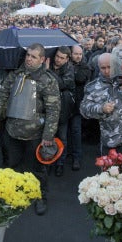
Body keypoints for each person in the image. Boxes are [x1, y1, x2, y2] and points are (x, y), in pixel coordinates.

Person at [0, 43, 60, 216]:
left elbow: (53, 110)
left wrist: (48, 135)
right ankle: (12, 195)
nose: (29, 58)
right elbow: (2, 95)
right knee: (11, 165)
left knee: (37, 169)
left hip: (35, 134)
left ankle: (40, 197)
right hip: (12, 131)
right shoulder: (16, 75)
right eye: (28, 55)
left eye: (34, 56)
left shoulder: (47, 80)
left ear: (42, 59)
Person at [47, 46, 75, 177]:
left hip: (63, 110)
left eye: (62, 58)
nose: (58, 60)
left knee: (62, 139)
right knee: (48, 137)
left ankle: (60, 164)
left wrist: (48, 72)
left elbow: (62, 84)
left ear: (67, 59)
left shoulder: (69, 69)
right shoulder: (49, 64)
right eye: (57, 56)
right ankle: (48, 161)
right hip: (48, 109)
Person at [68, 45, 91, 171]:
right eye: (76, 53)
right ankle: (64, 155)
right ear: (70, 54)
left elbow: (79, 78)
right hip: (65, 105)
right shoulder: (66, 66)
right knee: (64, 133)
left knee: (76, 131)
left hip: (77, 105)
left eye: (80, 54)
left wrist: (70, 70)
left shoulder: (85, 66)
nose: (78, 56)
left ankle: (76, 157)